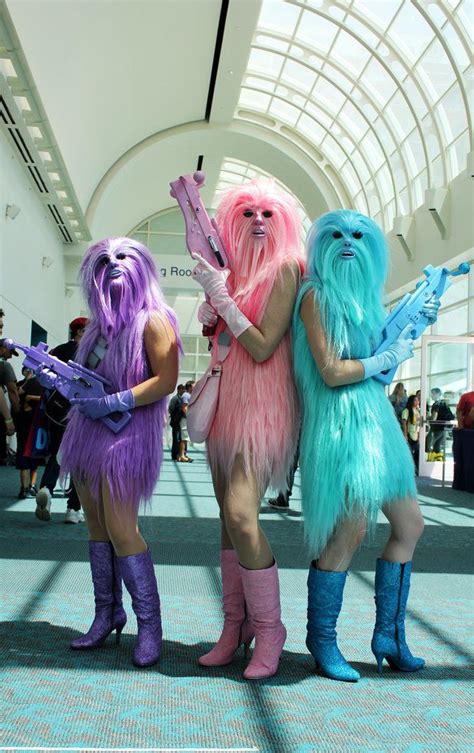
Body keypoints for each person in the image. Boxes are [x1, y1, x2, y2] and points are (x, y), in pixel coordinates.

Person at [292, 210, 439, 682]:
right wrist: (383, 355)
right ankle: (323, 639)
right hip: (341, 423)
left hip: (377, 420)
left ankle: (389, 636)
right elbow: (332, 372)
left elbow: (378, 371)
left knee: (410, 524)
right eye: (336, 235)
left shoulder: (367, 302)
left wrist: (408, 332)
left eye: (358, 234)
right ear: (321, 245)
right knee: (351, 528)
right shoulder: (314, 297)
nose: (348, 242)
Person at [191, 179, 304, 680]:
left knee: (241, 513)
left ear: (281, 223)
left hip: (262, 407)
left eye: (267, 213)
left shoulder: (285, 271)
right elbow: (223, 338)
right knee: (224, 517)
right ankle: (234, 626)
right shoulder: (232, 272)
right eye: (247, 213)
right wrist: (212, 310)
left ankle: (270, 628)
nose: (258, 220)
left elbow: (262, 346)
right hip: (224, 405)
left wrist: (224, 301)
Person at [56, 237, 179, 667]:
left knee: (123, 528)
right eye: (105, 259)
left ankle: (150, 626)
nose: (113, 266)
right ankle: (106, 613)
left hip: (128, 435)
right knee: (95, 526)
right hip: (88, 433)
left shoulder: (155, 320)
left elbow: (166, 380)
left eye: (123, 258)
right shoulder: (96, 328)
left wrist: (115, 401)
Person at [34, 317, 88, 523]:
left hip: (56, 412)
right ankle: (73, 509)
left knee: (58, 453)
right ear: (80, 332)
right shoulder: (88, 354)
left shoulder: (58, 350)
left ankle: (47, 488)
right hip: (81, 412)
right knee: (80, 461)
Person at [16, 367, 43, 498]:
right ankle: (29, 486)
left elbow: (18, 395)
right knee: (31, 454)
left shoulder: (24, 384)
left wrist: (28, 397)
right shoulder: (37, 383)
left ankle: (26, 487)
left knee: (27, 455)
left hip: (28, 421)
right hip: (32, 422)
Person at [0, 338, 20, 463]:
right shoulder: (4, 365)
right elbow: (12, 391)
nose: (10, 357)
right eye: (10, 352)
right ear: (2, 349)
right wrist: (13, 416)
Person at [428, 387, 454, 456]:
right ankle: (437, 460)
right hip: (443, 428)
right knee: (437, 446)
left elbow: (434, 418)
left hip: (437, 428)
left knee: (429, 444)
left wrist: (426, 417)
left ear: (438, 394)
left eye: (433, 394)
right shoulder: (443, 403)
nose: (431, 395)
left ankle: (430, 461)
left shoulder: (436, 404)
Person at [401, 394, 421, 473]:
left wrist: (419, 436)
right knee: (409, 453)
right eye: (415, 400)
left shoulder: (417, 411)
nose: (417, 402)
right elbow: (404, 422)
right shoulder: (407, 411)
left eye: (418, 400)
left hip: (415, 434)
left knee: (416, 453)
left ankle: (416, 469)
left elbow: (419, 424)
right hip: (409, 434)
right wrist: (405, 434)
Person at [177, 380, 194, 462]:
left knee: (185, 438)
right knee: (184, 438)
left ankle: (183, 454)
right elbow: (184, 408)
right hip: (184, 419)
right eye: (194, 385)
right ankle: (182, 456)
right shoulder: (186, 395)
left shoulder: (189, 395)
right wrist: (190, 417)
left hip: (186, 419)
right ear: (190, 387)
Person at [168, 383, 185, 460]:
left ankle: (180, 454)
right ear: (178, 390)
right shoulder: (175, 399)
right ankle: (174, 455)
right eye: (182, 389)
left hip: (180, 422)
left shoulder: (182, 399)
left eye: (184, 389)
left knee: (180, 439)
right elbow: (170, 409)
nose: (183, 391)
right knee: (176, 439)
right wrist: (174, 416)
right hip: (175, 422)